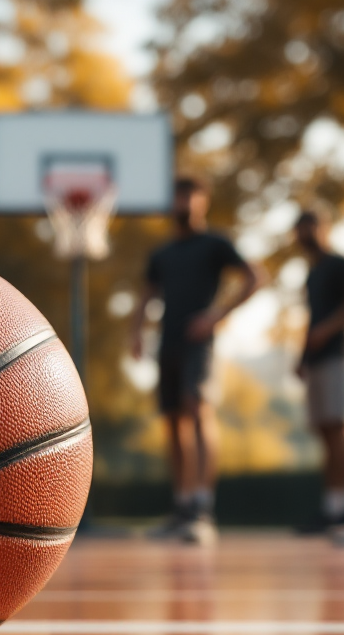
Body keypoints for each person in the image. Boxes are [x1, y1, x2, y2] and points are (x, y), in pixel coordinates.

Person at [131, 176, 264, 543]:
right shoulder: (162, 254)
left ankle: (203, 508)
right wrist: (136, 332)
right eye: (178, 195)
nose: (184, 202)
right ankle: (182, 506)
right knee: (174, 422)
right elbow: (146, 295)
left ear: (203, 201)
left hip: (199, 344)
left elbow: (255, 278)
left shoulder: (215, 244)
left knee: (198, 408)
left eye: (190, 195)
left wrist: (216, 316)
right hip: (168, 343)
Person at [292, 209, 344, 534]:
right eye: (300, 229)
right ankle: (334, 506)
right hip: (316, 359)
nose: (304, 234)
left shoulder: (339, 264)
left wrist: (329, 328)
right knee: (325, 431)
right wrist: (302, 356)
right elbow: (311, 321)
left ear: (323, 229)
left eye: (309, 227)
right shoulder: (312, 274)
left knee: (340, 426)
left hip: (337, 354)